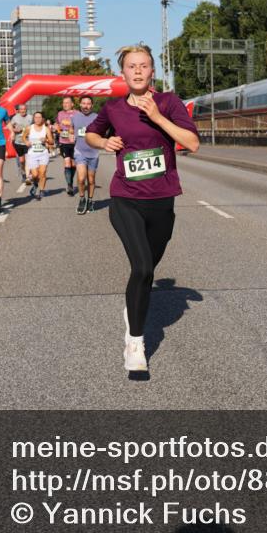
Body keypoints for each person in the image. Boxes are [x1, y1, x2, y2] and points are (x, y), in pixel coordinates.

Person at [84, 44, 199, 372]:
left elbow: (191, 143)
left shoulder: (168, 102)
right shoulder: (114, 108)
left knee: (147, 271)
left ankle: (132, 307)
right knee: (143, 269)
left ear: (152, 72)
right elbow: (91, 135)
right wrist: (104, 142)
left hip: (162, 200)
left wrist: (158, 117)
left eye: (143, 65)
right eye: (131, 66)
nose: (137, 70)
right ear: (122, 73)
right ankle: (135, 343)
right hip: (126, 199)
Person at [71, 95, 99, 214]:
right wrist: (72, 135)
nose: (86, 106)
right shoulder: (75, 117)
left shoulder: (97, 117)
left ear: (92, 105)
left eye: (88, 104)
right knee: (81, 178)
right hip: (79, 151)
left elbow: (102, 131)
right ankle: (82, 199)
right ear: (80, 104)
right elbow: (72, 130)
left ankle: (90, 200)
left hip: (93, 151)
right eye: (83, 103)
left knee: (91, 180)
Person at [22, 111, 53, 199]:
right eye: (36, 117)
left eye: (39, 117)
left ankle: (41, 191)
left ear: (42, 119)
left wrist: (46, 140)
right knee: (35, 175)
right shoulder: (29, 128)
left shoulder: (46, 129)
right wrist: (26, 142)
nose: (37, 119)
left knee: (42, 173)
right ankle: (35, 184)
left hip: (43, 153)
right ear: (33, 118)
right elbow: (23, 137)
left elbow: (52, 141)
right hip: (32, 154)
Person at [56, 96, 78, 196]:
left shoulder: (77, 114)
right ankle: (69, 185)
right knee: (67, 163)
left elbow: (80, 126)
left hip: (75, 143)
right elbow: (57, 125)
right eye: (64, 103)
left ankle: (71, 181)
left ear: (72, 104)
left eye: (67, 102)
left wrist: (72, 128)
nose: (65, 104)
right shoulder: (60, 114)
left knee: (73, 165)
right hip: (63, 142)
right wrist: (58, 129)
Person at [9, 103, 31, 183]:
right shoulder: (15, 118)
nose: (23, 111)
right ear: (19, 110)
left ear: (26, 109)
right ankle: (23, 173)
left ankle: (28, 176)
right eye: (21, 109)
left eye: (24, 109)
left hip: (27, 141)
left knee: (28, 159)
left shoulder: (30, 117)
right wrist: (15, 130)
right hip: (18, 142)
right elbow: (10, 127)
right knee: (22, 161)